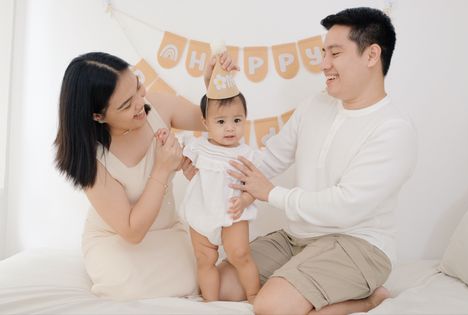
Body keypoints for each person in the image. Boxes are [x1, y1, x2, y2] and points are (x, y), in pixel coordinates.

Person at [220, 7, 417, 315]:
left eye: (335, 53)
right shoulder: (315, 104)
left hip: (358, 245)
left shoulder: (393, 130)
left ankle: (370, 299)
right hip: (299, 238)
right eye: (324, 53)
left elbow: (345, 205)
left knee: (270, 306)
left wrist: (271, 193)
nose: (324, 64)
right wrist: (212, 161)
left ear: (371, 55)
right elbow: (267, 161)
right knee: (223, 286)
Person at [54, 51, 238, 300]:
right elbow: (132, 232)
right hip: (117, 240)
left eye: (138, 88)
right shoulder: (91, 159)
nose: (141, 104)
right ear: (98, 116)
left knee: (199, 281)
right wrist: (162, 169)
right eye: (126, 105)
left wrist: (212, 85)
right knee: (130, 290)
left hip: (167, 231)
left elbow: (212, 122)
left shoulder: (157, 107)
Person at [179, 60, 261, 303]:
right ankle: (210, 302)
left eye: (237, 120)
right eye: (221, 122)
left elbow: (254, 186)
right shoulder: (198, 147)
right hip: (202, 209)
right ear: (205, 123)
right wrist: (185, 168)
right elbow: (183, 165)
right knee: (205, 259)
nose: (230, 128)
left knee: (240, 254)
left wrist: (245, 200)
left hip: (233, 211)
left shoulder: (246, 154)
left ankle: (254, 295)